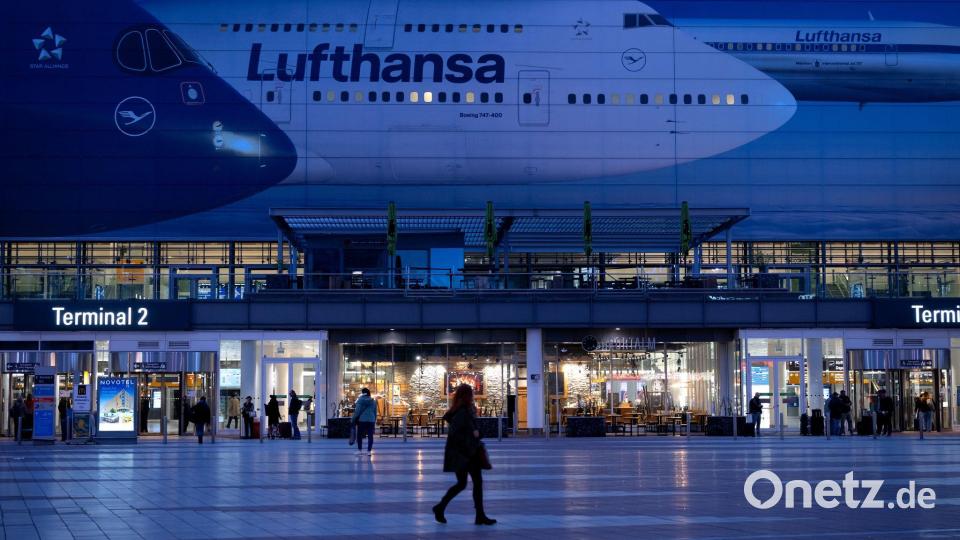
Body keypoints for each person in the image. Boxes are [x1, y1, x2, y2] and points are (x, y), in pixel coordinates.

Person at [432, 384, 496, 526]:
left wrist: (476, 433)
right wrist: (474, 435)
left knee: (463, 484)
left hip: (462, 454)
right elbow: (457, 433)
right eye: (471, 394)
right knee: (474, 483)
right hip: (466, 454)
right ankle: (479, 515)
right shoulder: (462, 411)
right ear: (466, 395)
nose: (472, 396)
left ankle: (441, 508)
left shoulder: (461, 410)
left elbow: (466, 430)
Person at [351, 388, 377, 455]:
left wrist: (353, 419)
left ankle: (360, 450)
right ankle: (369, 451)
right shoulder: (373, 401)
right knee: (370, 436)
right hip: (371, 420)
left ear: (363, 393)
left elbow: (357, 411)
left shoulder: (360, 400)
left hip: (362, 420)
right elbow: (375, 412)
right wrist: (374, 420)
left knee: (359, 435)